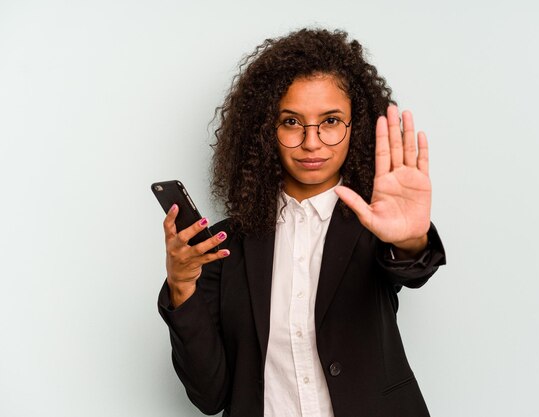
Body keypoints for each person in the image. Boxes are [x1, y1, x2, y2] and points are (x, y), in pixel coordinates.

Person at [158, 28, 446, 417]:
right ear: (264, 131)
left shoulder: (376, 223)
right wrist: (181, 286)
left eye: (330, 121)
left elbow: (411, 268)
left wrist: (411, 240)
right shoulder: (225, 245)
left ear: (354, 127)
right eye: (291, 122)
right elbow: (209, 396)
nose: (312, 142)